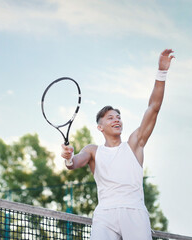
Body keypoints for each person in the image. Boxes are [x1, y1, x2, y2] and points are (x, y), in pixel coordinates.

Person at [61, 49, 175, 240]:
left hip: (135, 212)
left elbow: (153, 108)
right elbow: (74, 163)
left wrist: (161, 73)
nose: (117, 120)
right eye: (110, 117)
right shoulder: (93, 151)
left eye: (119, 117)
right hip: (105, 215)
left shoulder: (134, 144)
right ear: (100, 127)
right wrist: (67, 157)